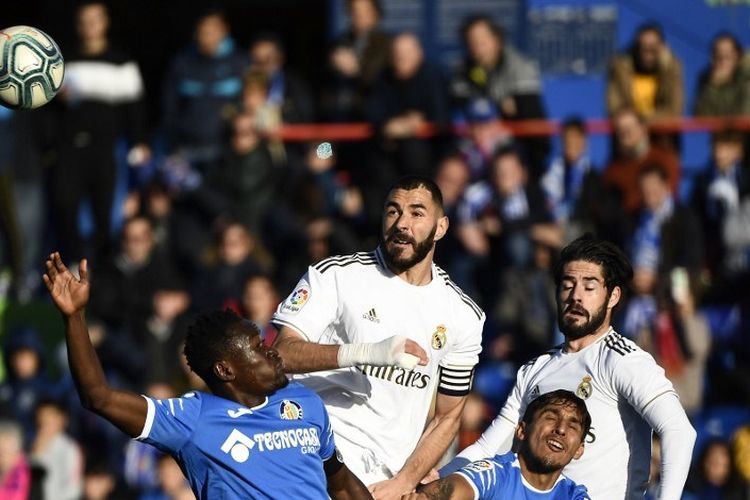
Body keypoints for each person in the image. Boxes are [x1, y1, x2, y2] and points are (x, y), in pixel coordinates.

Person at [42, 252, 371, 499]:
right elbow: (98, 396)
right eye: (258, 347)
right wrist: (74, 318)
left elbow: (340, 483)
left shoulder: (305, 403)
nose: (271, 349)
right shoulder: (192, 419)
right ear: (226, 370)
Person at [272, 176, 485, 498]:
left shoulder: (462, 314)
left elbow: (448, 415)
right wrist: (364, 353)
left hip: (385, 481)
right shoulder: (336, 276)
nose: (401, 224)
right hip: (315, 459)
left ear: (440, 227)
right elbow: (281, 354)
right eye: (393, 212)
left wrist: (403, 482)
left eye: (416, 214)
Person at [442, 234, 696, 500]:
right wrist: (432, 482)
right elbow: (487, 449)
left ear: (612, 296)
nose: (575, 296)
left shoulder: (622, 360)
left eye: (589, 287)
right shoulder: (535, 369)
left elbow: (679, 431)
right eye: (567, 285)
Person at [53, 0, 150, 262]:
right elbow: (46, 107)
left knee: (105, 213)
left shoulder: (121, 61)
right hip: (70, 147)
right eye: (84, 20)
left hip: (107, 148)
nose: (89, 26)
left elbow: (134, 107)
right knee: (64, 204)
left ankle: (104, 270)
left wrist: (139, 142)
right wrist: (58, 99)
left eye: (95, 19)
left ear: (105, 22)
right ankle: (73, 264)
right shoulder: (64, 60)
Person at [405, 390, 591, 500]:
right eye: (550, 418)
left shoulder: (574, 495)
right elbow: (451, 490)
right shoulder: (493, 473)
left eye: (572, 426)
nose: (560, 429)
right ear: (521, 431)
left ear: (579, 449)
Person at [607, 23, 683, 120]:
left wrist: (667, 70)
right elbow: (614, 108)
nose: (647, 56)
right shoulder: (620, 68)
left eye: (652, 50)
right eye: (643, 48)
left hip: (662, 132)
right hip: (628, 131)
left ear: (662, 49)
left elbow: (674, 111)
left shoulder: (672, 69)